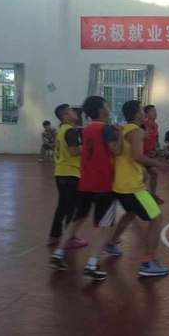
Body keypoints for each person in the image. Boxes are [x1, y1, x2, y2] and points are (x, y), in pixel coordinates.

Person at [48, 96, 126, 280]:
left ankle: (58, 255)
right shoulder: (106, 128)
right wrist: (121, 134)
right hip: (103, 183)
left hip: (85, 181)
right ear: (101, 110)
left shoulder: (87, 129)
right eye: (106, 105)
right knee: (106, 226)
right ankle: (92, 264)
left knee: (77, 219)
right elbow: (116, 150)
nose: (108, 107)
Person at [113, 100, 169, 277]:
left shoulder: (124, 129)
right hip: (133, 186)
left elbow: (121, 152)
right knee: (157, 219)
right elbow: (137, 156)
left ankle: (111, 242)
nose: (144, 112)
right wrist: (159, 164)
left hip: (119, 184)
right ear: (138, 114)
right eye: (141, 110)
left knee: (131, 212)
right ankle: (148, 262)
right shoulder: (136, 131)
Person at [46, 105, 88, 248]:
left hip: (61, 172)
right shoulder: (70, 131)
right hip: (71, 173)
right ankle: (70, 238)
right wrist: (88, 147)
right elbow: (73, 151)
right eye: (71, 111)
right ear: (65, 117)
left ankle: (55, 234)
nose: (75, 112)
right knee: (72, 207)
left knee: (63, 206)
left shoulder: (62, 130)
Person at [142, 105, 163, 205]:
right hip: (140, 155)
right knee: (144, 176)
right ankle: (137, 196)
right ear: (146, 114)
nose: (155, 113)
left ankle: (153, 195)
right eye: (152, 111)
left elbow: (154, 139)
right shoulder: (142, 125)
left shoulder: (156, 125)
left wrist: (154, 149)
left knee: (154, 174)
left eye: (155, 111)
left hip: (148, 155)